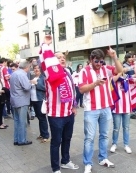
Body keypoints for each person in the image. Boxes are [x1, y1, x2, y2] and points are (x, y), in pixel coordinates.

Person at [79, 47, 123, 173]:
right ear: (91, 60)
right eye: (96, 61)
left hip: (106, 108)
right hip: (91, 109)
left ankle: (103, 158)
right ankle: (88, 163)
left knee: (104, 135)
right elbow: (81, 89)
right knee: (89, 138)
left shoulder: (106, 68)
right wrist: (94, 84)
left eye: (101, 61)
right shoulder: (84, 71)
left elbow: (120, 71)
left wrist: (114, 57)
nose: (99, 64)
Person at [39, 35, 79, 173]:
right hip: (56, 115)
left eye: (63, 57)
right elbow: (44, 60)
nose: (62, 58)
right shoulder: (49, 73)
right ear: (52, 61)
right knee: (56, 142)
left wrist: (74, 106)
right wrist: (45, 44)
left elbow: (73, 90)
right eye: (58, 57)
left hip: (69, 113)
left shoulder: (67, 72)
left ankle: (65, 161)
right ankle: (55, 168)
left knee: (67, 139)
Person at [10, 60, 32, 146]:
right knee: (22, 122)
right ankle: (22, 140)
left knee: (16, 121)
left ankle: (16, 139)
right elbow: (26, 87)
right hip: (22, 100)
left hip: (14, 100)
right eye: (29, 67)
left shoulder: (14, 73)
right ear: (26, 67)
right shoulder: (22, 74)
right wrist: (31, 83)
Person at [30, 64, 50, 142]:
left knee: (42, 118)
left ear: (40, 70)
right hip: (34, 100)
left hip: (40, 100)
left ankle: (46, 136)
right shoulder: (33, 78)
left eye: (37, 68)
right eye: (34, 68)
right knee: (39, 118)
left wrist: (36, 84)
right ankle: (42, 134)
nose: (36, 70)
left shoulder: (43, 78)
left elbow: (45, 88)